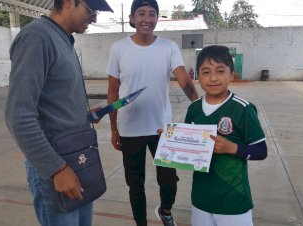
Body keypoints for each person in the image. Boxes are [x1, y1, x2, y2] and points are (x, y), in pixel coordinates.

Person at [4, 0, 113, 225]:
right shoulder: (37, 37)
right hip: (57, 165)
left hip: (77, 159)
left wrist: (84, 115)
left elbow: (53, 102)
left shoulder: (63, 39)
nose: (95, 17)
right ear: (69, 2)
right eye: (91, 9)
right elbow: (18, 116)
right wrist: (57, 169)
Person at [106, 0, 199, 225]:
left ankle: (165, 211)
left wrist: (200, 106)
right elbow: (113, 91)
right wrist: (114, 128)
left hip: (162, 128)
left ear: (157, 18)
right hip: (130, 130)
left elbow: (184, 79)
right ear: (132, 18)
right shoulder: (118, 48)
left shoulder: (169, 47)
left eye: (152, 14)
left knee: (169, 181)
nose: (147, 19)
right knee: (135, 184)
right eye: (141, 13)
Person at [184, 45, 268, 226]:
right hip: (201, 198)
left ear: (231, 75)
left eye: (220, 71)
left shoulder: (243, 109)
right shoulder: (194, 109)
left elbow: (261, 151)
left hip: (233, 200)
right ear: (198, 76)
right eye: (205, 72)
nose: (213, 78)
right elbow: (188, 147)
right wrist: (170, 141)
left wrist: (233, 148)